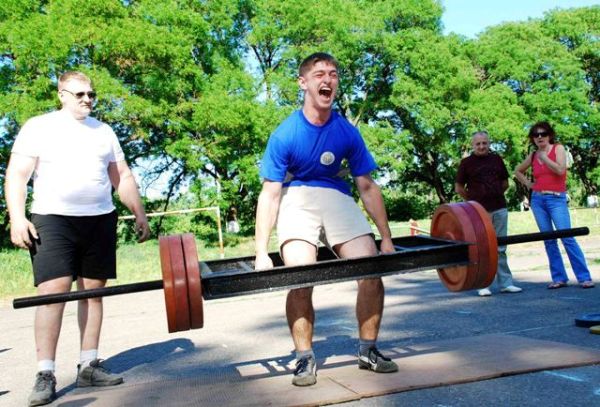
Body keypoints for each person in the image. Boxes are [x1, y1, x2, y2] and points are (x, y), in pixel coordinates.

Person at [4, 71, 151, 406]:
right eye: (80, 94)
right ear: (62, 95)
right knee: (51, 294)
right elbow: (16, 175)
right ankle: (45, 372)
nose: (87, 99)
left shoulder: (104, 132)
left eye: (92, 94)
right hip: (52, 220)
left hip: (98, 220)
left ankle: (88, 364)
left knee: (93, 293)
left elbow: (122, 176)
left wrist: (139, 211)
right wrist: (17, 217)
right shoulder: (38, 127)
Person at [254, 52, 398, 387]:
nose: (327, 80)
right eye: (319, 74)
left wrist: (386, 238)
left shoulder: (346, 131)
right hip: (297, 197)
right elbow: (270, 194)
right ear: (303, 83)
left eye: (333, 74)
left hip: (335, 196)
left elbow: (366, 185)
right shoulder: (285, 134)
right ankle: (304, 358)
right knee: (301, 276)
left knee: (371, 270)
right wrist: (261, 251)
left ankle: (368, 350)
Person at [514, 121, 594, 289]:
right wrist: (530, 185)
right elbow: (517, 171)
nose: (540, 137)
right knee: (548, 239)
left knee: (567, 236)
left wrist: (545, 158)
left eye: (543, 134)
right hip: (538, 200)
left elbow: (560, 170)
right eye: (536, 135)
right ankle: (559, 278)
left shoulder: (558, 148)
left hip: (556, 199)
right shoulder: (534, 155)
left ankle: (584, 277)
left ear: (549, 135)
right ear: (533, 139)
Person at [455, 131, 522, 297]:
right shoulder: (466, 163)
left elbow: (505, 183)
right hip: (478, 212)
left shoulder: (497, 159)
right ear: (473, 145)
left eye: (484, 143)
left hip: (499, 208)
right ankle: (484, 284)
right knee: (482, 248)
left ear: (489, 143)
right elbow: (459, 188)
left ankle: (506, 283)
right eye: (478, 144)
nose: (481, 146)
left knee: (500, 247)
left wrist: (496, 194)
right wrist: (473, 202)